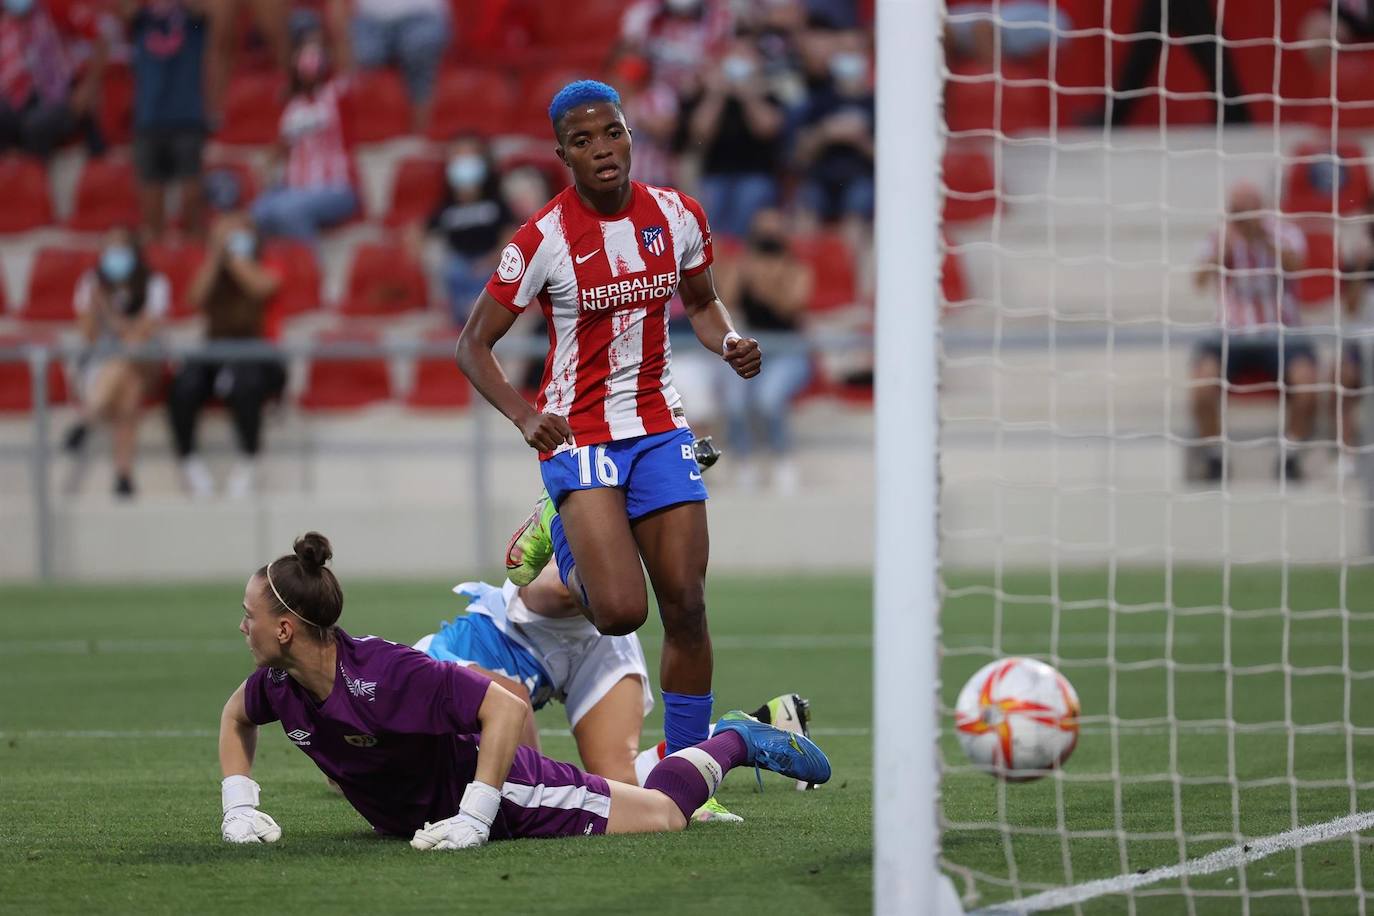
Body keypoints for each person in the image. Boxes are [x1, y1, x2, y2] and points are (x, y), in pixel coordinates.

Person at [454, 80, 762, 820]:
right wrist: (526, 415)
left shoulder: (678, 214)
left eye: (613, 133)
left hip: (659, 424)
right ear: (562, 154)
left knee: (686, 604)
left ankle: (690, 780)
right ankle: (555, 525)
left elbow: (698, 300)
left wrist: (728, 340)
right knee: (621, 613)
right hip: (580, 433)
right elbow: (473, 346)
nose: (603, 150)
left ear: (630, 137)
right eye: (584, 140)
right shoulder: (540, 240)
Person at [217, 532, 831, 847]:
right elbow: (234, 717)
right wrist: (239, 806)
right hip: (437, 807)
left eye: (249, 614)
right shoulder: (278, 683)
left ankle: (735, 739)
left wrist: (475, 814)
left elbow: (504, 708)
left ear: (286, 627)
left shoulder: (385, 672)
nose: (242, 626)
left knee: (665, 818)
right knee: (624, 782)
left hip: (510, 791)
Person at [413, 566, 815, 807]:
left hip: (594, 634)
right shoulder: (560, 557)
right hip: (535, 639)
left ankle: (739, 734)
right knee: (576, 784)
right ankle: (740, 732)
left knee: (572, 785)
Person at [1191, 181, 1315, 482]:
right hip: (1230, 333)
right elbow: (1198, 281)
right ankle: (1215, 457)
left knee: (1308, 385)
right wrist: (1225, 249)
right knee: (1201, 385)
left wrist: (1262, 238)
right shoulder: (1220, 236)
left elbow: (1298, 265)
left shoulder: (1284, 232)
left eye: (1250, 207)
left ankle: (1291, 455)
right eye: (1239, 209)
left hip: (1281, 331)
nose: (1245, 215)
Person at [169, 212, 285, 498]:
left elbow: (260, 287)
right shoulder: (213, 267)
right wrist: (214, 256)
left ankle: (249, 458)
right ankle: (189, 461)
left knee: (246, 384)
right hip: (215, 348)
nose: (233, 241)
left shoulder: (269, 262)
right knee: (183, 385)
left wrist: (232, 258)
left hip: (258, 351)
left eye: (240, 234)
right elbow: (194, 297)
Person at [63, 227, 170, 498]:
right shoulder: (90, 283)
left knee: (128, 356)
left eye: (121, 250)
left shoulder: (154, 283)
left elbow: (141, 335)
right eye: (110, 250)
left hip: (146, 362)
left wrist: (108, 312)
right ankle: (124, 477)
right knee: (127, 387)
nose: (115, 257)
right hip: (104, 365)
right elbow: (89, 335)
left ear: (134, 253)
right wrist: (98, 310)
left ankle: (88, 418)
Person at [714, 208, 813, 493]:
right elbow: (728, 302)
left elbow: (793, 307)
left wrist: (766, 283)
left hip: (787, 347)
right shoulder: (742, 264)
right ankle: (744, 460)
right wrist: (746, 273)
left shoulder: (797, 268)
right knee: (735, 401)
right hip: (751, 342)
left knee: (768, 399)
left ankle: (783, 459)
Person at [251, 28, 358, 245]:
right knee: (257, 213)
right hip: (296, 188)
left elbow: (346, 57)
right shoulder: (292, 107)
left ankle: (313, 273)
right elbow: (278, 150)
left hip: (336, 187)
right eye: (305, 54)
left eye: (316, 54)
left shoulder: (336, 94)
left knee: (288, 210)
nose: (310, 60)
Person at [678, 36, 786, 241]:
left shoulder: (769, 93)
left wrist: (748, 94)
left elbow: (767, 128)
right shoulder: (710, 95)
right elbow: (699, 133)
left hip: (756, 176)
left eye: (745, 55)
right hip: (715, 176)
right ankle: (716, 258)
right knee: (710, 200)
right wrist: (716, 94)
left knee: (750, 196)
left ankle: (736, 253)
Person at [123, 0, 211, 239]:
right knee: (151, 213)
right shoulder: (142, 19)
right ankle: (156, 262)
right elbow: (123, 12)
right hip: (149, 120)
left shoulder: (192, 20)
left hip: (187, 117)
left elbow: (209, 12)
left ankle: (192, 256)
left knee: (192, 200)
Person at [417, 133, 511, 326]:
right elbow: (422, 232)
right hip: (458, 265)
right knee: (453, 270)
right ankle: (461, 314)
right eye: (459, 156)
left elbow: (510, 233)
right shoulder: (446, 206)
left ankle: (476, 314)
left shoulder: (495, 202)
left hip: (488, 264)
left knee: (491, 277)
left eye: (470, 156)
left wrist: (491, 260)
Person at [0, 0, 107, 159]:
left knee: (36, 126)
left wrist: (88, 88)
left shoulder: (54, 7)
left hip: (62, 95)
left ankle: (37, 174)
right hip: (23, 99)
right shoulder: (7, 20)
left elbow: (101, 42)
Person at [348, 0, 449, 134]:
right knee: (361, 55)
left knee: (419, 48)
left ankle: (419, 134)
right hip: (369, 18)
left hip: (422, 14)